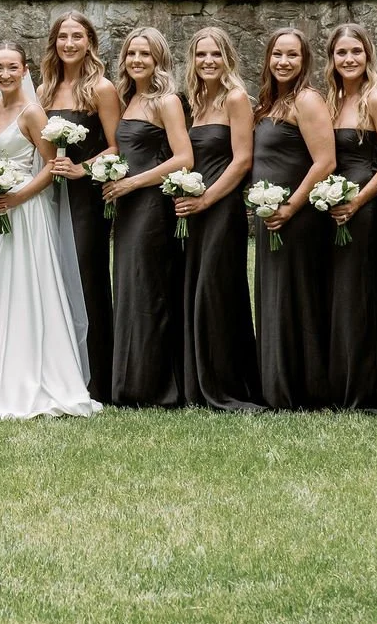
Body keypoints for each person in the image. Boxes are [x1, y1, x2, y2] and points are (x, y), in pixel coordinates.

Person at [0, 40, 101, 419]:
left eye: (13, 67)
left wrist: (17, 197)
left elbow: (51, 168)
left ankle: (31, 377)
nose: (5, 74)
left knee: (26, 289)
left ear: (25, 70)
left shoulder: (33, 113)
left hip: (26, 215)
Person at [104, 27, 192, 408]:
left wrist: (132, 183)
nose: (137, 60)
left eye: (145, 54)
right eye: (131, 54)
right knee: (128, 288)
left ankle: (155, 387)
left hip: (152, 206)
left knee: (148, 290)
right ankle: (128, 383)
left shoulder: (166, 101)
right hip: (126, 208)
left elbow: (184, 158)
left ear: (159, 59)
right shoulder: (129, 97)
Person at [252, 27, 338, 411]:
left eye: (292, 56)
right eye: (277, 55)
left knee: (298, 298)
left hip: (297, 218)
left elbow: (326, 161)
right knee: (275, 298)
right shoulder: (270, 101)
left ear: (305, 62)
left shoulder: (307, 99)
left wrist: (291, 206)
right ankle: (275, 384)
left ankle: (305, 389)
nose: (283, 62)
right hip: (270, 215)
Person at [39, 11, 121, 404]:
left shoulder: (101, 89)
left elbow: (117, 146)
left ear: (90, 42)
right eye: (62, 37)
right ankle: (56, 370)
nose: (69, 44)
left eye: (77, 36)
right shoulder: (44, 89)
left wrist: (81, 168)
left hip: (84, 199)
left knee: (86, 281)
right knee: (50, 279)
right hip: (47, 196)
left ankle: (96, 380)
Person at [177, 27, 261, 411]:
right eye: (200, 55)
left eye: (215, 54)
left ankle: (226, 384)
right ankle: (196, 384)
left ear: (228, 58)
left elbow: (242, 160)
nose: (207, 61)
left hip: (221, 209)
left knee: (216, 292)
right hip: (193, 210)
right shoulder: (194, 101)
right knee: (195, 292)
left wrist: (207, 199)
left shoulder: (236, 98)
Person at [323, 23, 377, 410]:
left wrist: (358, 201)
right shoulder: (330, 100)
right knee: (338, 294)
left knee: (361, 291)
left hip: (365, 207)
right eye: (341, 53)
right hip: (332, 205)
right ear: (332, 59)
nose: (349, 59)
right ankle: (338, 383)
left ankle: (367, 388)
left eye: (356, 51)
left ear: (368, 55)